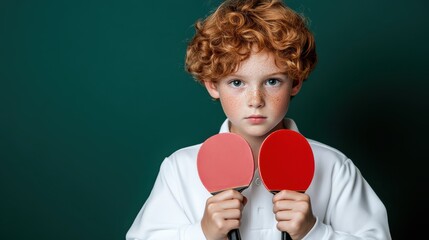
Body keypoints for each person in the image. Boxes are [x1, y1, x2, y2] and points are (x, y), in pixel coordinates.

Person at [126, 0, 392, 239]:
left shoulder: (334, 168)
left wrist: (314, 231)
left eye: (273, 81)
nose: (256, 99)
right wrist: (202, 233)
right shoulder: (180, 169)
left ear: (295, 82)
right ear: (212, 85)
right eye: (237, 82)